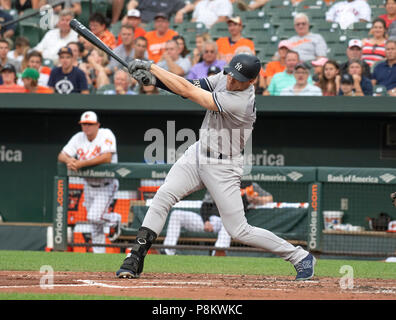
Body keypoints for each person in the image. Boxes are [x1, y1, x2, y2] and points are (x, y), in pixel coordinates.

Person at [115, 53, 316, 281]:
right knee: (163, 196)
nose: (231, 80)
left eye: (238, 78)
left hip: (223, 165)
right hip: (198, 153)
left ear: (251, 82)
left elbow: (189, 93)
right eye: (231, 73)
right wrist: (155, 81)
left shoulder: (241, 102)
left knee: (239, 230)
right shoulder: (225, 77)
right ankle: (135, 257)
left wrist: (153, 69)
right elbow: (191, 85)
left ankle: (300, 257)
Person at [58, 111, 119, 254]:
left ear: (97, 125)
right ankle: (99, 254)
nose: (87, 127)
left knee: (94, 216)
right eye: (84, 124)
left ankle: (114, 218)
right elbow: (61, 155)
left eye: (90, 124)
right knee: (94, 224)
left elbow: (107, 157)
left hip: (106, 184)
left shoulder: (106, 134)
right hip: (89, 185)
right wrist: (70, 160)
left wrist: (81, 164)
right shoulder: (78, 138)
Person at [163, 182, 273, 256]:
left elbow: (269, 198)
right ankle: (168, 251)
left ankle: (218, 253)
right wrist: (206, 221)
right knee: (176, 214)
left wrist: (255, 200)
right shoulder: (218, 183)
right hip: (211, 221)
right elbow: (205, 205)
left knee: (229, 223)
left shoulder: (250, 186)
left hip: (229, 221)